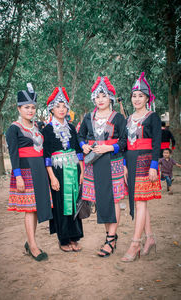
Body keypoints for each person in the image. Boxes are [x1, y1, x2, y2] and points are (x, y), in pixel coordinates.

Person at [78, 76, 127, 257]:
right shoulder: (88, 118)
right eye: (97, 97)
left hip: (112, 163)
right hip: (94, 164)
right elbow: (80, 136)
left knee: (113, 199)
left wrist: (110, 147)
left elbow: (124, 141)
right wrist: (83, 145)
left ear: (110, 99)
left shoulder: (119, 118)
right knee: (101, 200)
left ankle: (110, 239)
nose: (100, 100)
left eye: (104, 96)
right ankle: (110, 236)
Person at [6, 83, 53, 262]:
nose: (30, 110)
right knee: (29, 209)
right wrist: (18, 176)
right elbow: (13, 154)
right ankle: (32, 246)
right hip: (25, 172)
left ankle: (30, 242)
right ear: (19, 108)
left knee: (35, 208)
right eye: (26, 107)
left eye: (33, 107)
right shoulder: (14, 128)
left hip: (39, 170)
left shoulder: (37, 127)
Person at [122, 72, 161, 262]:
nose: (137, 99)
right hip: (131, 161)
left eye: (141, 96)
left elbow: (157, 143)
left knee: (140, 202)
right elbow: (125, 144)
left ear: (147, 98)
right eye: (134, 95)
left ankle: (135, 242)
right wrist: (124, 165)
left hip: (146, 162)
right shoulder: (128, 119)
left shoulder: (152, 117)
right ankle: (150, 238)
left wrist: (154, 165)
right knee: (140, 202)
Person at [43, 87, 84, 252]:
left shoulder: (72, 128)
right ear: (52, 109)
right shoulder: (47, 130)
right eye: (58, 106)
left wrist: (82, 172)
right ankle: (63, 239)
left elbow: (78, 152)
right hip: (58, 171)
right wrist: (52, 177)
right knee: (61, 204)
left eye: (64, 106)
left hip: (74, 171)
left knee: (75, 203)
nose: (61, 109)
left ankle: (75, 236)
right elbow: (46, 156)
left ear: (67, 109)